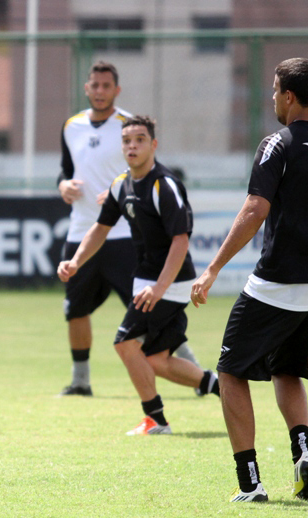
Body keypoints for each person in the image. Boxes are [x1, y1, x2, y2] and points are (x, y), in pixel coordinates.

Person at [192, 58, 308, 502]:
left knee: (230, 371)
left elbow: (255, 209)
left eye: (274, 90)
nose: (272, 98)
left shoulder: (277, 143)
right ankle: (302, 451)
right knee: (286, 368)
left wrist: (213, 268)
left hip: (277, 284)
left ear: (289, 96)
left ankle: (250, 482)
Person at [58, 115, 219, 435]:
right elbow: (100, 228)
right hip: (147, 278)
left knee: (125, 342)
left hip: (171, 280)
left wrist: (159, 288)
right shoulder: (121, 184)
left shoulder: (164, 185)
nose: (132, 146)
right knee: (156, 360)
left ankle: (156, 420)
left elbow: (180, 240)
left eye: (140, 140)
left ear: (153, 145)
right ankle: (216, 384)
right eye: (126, 141)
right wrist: (76, 261)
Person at [57, 61, 201, 397]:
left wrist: (120, 194)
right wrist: (63, 185)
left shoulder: (128, 126)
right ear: (86, 88)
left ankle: (193, 369)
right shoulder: (71, 126)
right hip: (82, 230)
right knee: (75, 309)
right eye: (94, 85)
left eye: (106, 86)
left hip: (124, 233)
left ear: (116, 90)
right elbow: (65, 170)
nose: (100, 91)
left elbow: (142, 173)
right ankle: (80, 381)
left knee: (147, 309)